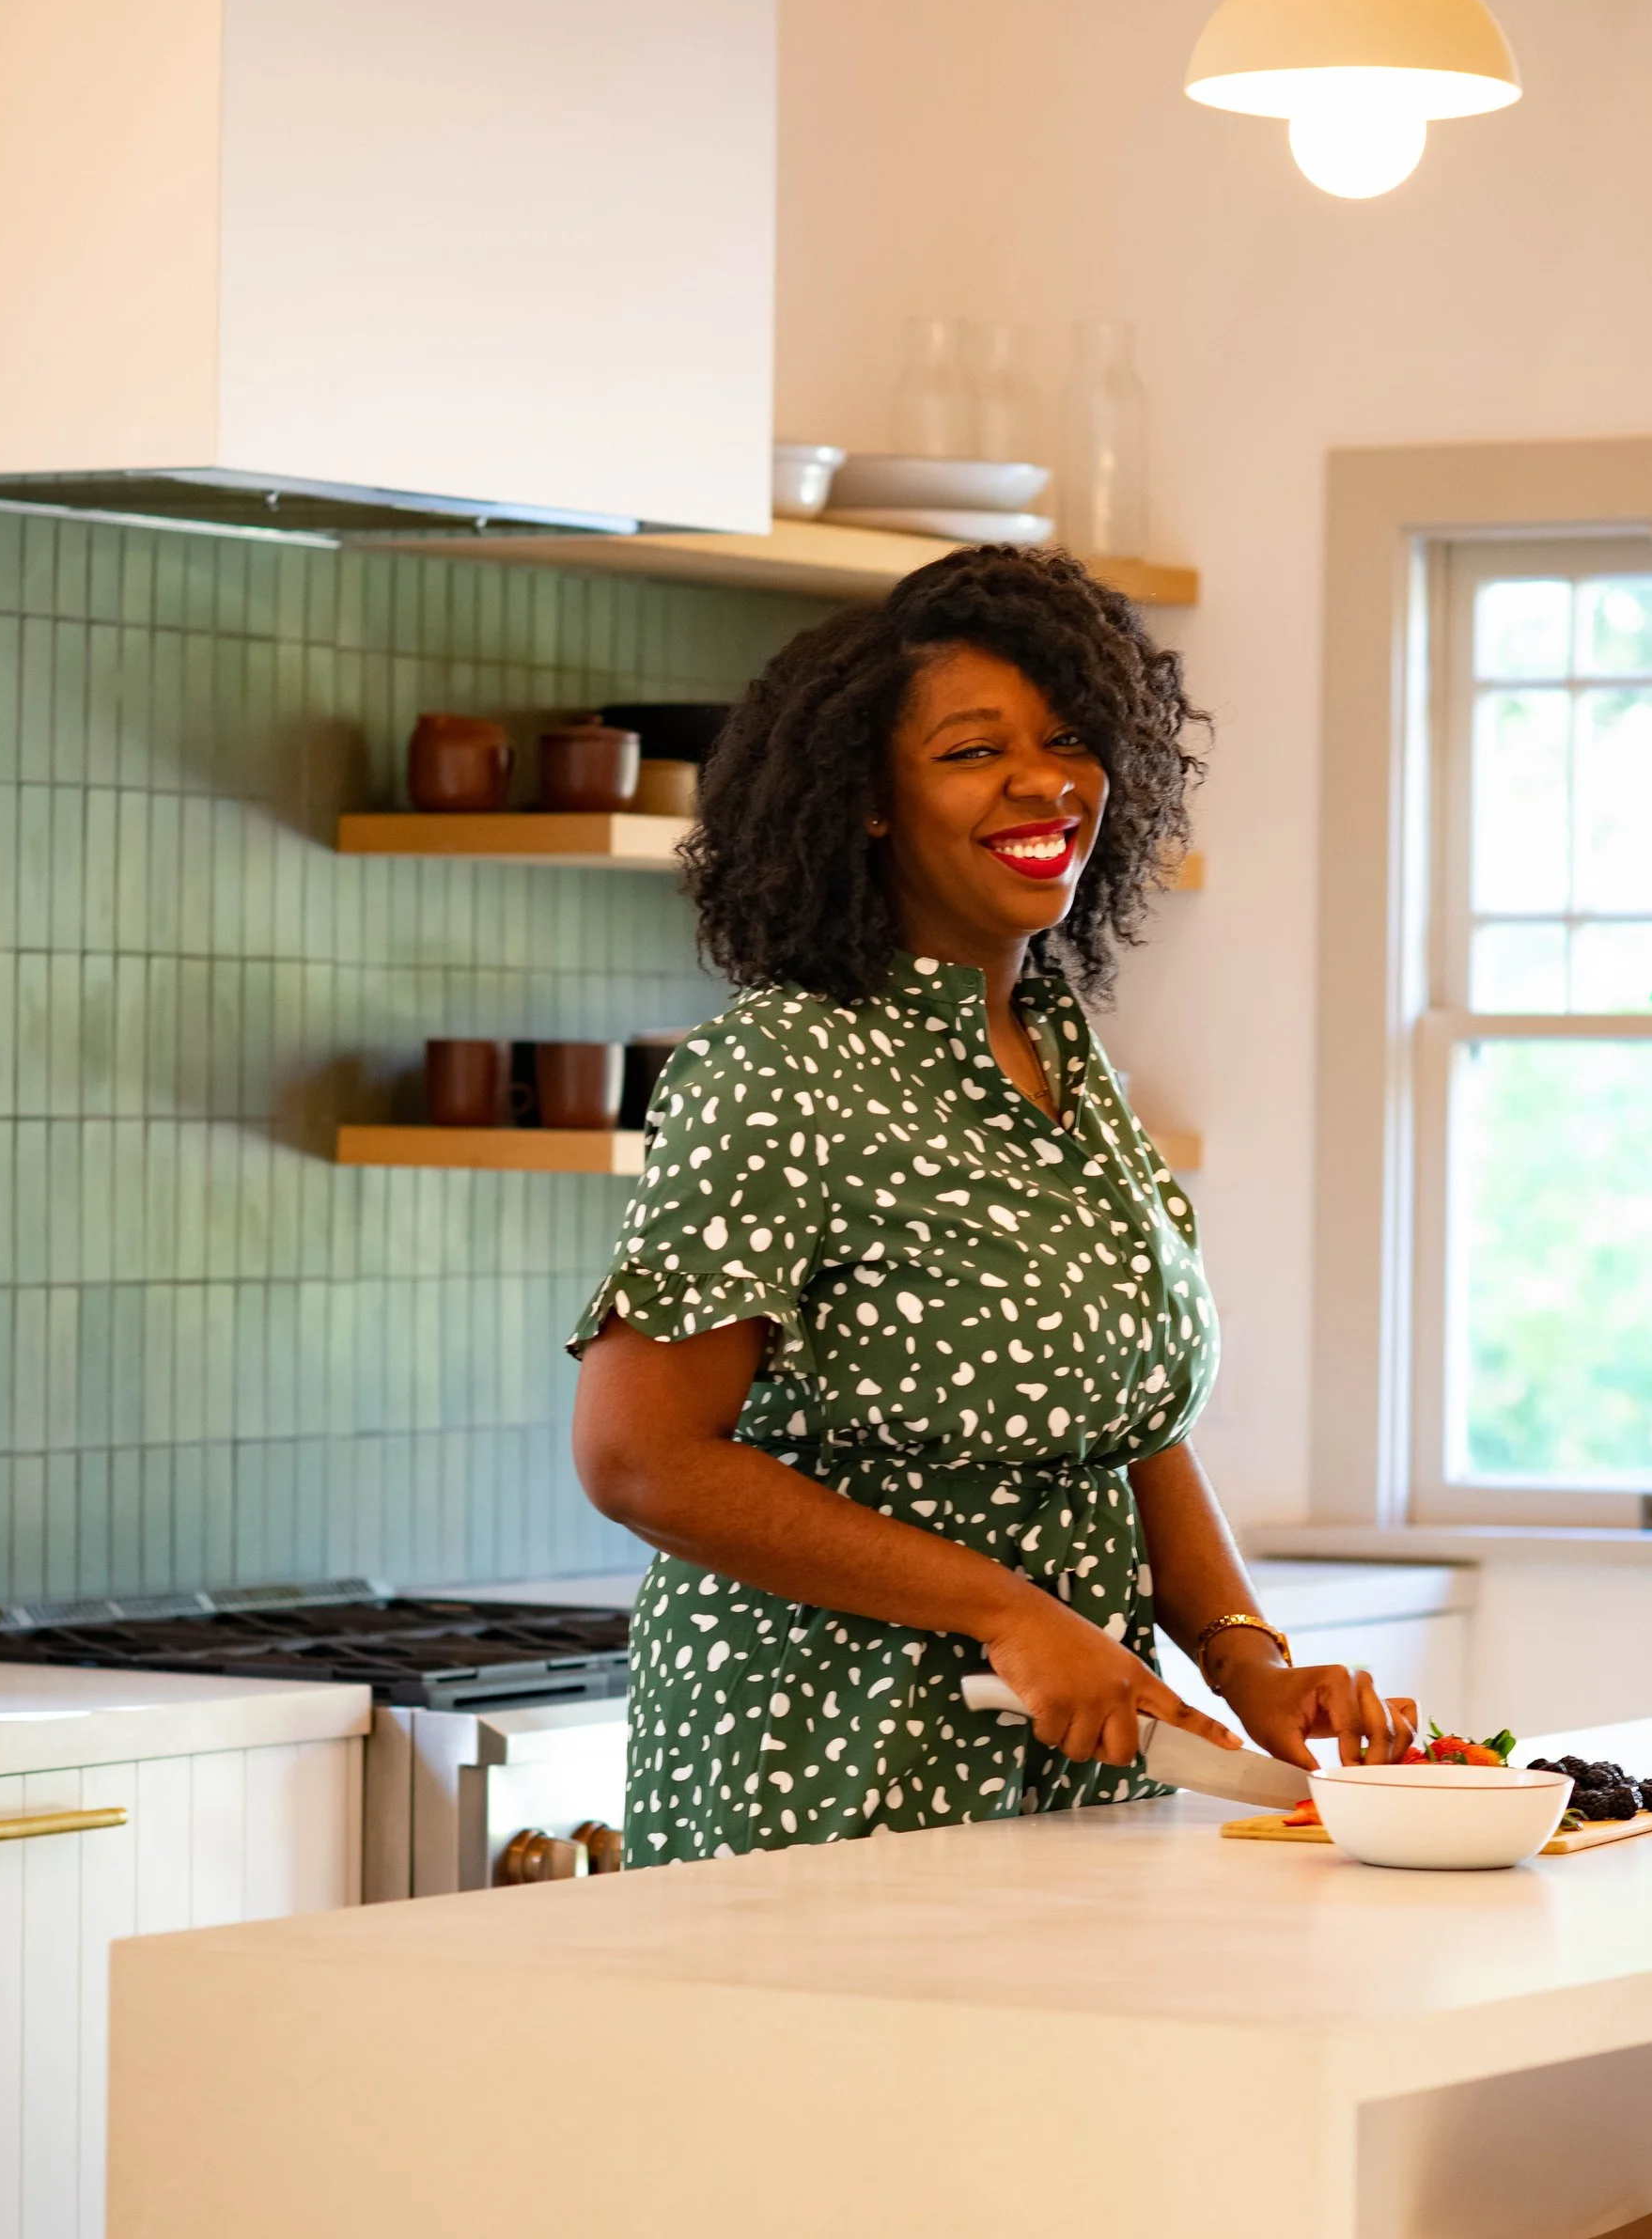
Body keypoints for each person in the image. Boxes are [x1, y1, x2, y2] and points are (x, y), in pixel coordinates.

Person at [570, 545, 1415, 1863]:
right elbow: (641, 1456)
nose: (1045, 778)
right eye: (973, 750)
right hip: (824, 1767)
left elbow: (1123, 1425)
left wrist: (1248, 1659)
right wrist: (1007, 1611)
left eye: (1071, 737)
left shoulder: (1062, 1053)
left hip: (1069, 1768)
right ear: (866, 799)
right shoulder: (784, 1063)